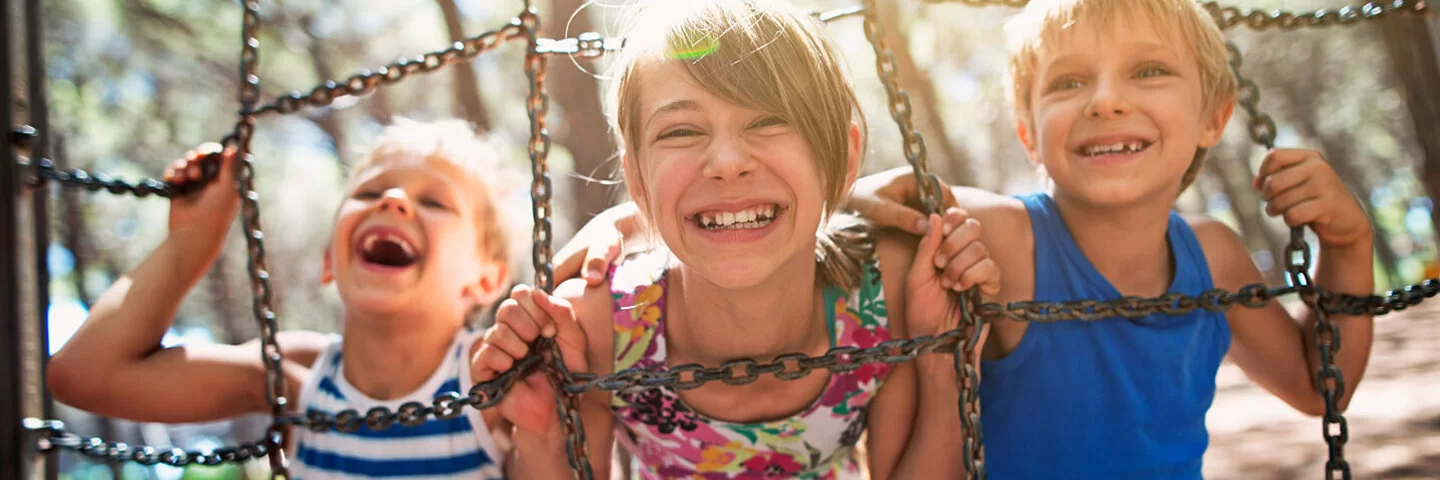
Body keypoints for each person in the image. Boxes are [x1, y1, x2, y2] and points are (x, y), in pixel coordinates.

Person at [843, 0, 1376, 477]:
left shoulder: (1212, 255)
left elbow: (1319, 385)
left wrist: (1349, 244)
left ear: (1213, 118)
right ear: (1028, 133)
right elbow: (881, 210)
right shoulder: (998, 235)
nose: (1105, 101)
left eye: (1149, 71)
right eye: (1068, 82)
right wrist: (858, 194)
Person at [470, 1, 999, 478]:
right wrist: (542, 435)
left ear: (845, 155)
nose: (726, 163)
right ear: (636, 180)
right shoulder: (597, 324)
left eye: (769, 121)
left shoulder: (881, 297)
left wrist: (945, 370)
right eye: (680, 131)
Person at [48, 119, 522, 479]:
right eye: (369, 191)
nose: (392, 200)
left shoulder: (491, 377)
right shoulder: (297, 378)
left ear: (486, 280)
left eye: (434, 202)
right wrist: (193, 242)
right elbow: (84, 375)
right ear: (329, 260)